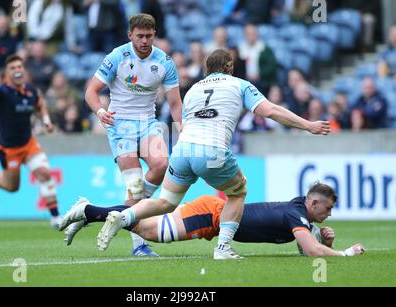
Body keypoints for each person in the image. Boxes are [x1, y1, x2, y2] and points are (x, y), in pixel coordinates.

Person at [96, 49, 330, 260]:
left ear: (207, 69)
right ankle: (223, 248)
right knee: (238, 192)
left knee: (164, 202)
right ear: (230, 67)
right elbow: (270, 111)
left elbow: (186, 122)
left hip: (183, 150)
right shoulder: (240, 84)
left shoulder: (193, 90)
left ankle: (124, 217)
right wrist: (308, 125)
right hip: (212, 150)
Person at [84, 13, 183, 256]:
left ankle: (127, 208)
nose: (145, 41)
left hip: (147, 122)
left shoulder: (164, 62)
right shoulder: (117, 57)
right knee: (136, 185)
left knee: (161, 165)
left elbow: (175, 103)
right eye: (140, 36)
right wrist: (99, 110)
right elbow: (91, 91)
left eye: (149, 36)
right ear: (130, 36)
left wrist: (183, 129)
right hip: (120, 125)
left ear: (154, 35)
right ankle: (139, 246)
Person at [60, 183, 364, 257]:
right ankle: (88, 211)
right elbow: (311, 252)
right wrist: (344, 253)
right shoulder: (295, 213)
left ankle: (89, 211)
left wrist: (329, 240)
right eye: (327, 209)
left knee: (146, 223)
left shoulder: (300, 214)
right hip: (211, 215)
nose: (329, 214)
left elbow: (305, 249)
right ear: (313, 202)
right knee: (147, 229)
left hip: (214, 214)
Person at [0, 55, 62, 228]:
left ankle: (55, 216)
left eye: (19, 66)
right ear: (6, 73)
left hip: (29, 144)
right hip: (9, 149)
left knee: (44, 173)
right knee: (12, 187)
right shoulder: (1, 91)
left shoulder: (31, 91)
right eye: (12, 68)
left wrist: (47, 121)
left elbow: (39, 106)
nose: (17, 70)